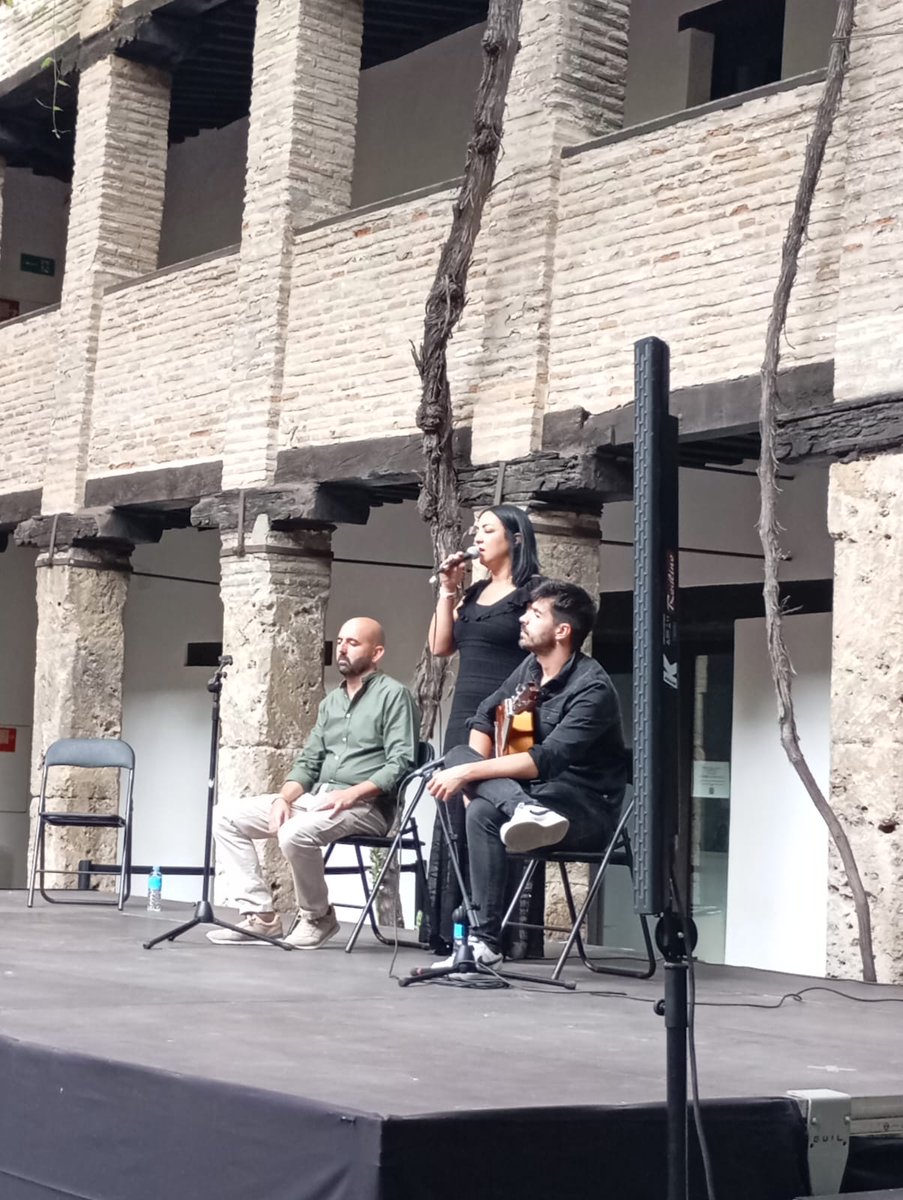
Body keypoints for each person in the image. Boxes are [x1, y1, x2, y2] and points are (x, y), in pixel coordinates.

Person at [426, 580, 628, 966]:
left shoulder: (593, 688)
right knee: (461, 764)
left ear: (562, 631)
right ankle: (486, 945)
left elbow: (545, 759)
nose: (522, 619)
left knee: (473, 787)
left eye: (535, 615)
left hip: (585, 808)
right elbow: (485, 714)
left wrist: (471, 774)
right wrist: (475, 780)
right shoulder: (530, 670)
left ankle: (485, 937)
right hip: (532, 799)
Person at [208, 617, 418, 949]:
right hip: (319, 800)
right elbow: (308, 763)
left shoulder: (394, 696)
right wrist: (283, 798)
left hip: (367, 806)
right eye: (340, 641)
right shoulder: (330, 703)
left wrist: (351, 794)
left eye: (353, 642)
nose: (343, 648)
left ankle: (318, 918)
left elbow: (401, 763)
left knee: (294, 832)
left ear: (377, 653)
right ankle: (260, 916)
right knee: (225, 816)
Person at [425, 505, 542, 952]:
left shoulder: (533, 593)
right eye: (477, 529)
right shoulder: (471, 595)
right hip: (464, 712)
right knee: (455, 809)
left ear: (515, 538)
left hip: (514, 713)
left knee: (490, 810)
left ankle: (499, 931)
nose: (477, 536)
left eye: (487, 529)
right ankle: (453, 929)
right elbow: (440, 647)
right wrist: (448, 590)